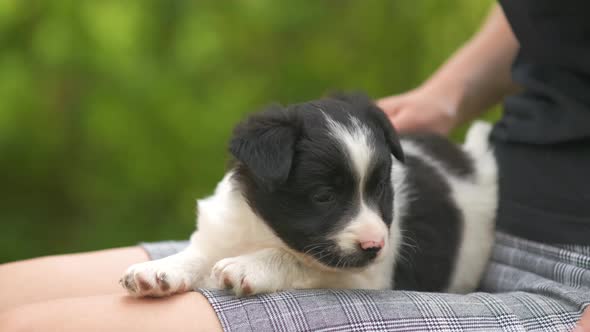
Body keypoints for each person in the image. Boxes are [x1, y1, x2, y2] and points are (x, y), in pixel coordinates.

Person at [1, 2, 589, 331]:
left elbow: (367, 271)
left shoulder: (367, 243)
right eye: (328, 196)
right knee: (11, 298)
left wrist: (276, 263)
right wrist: (451, 92)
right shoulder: (250, 189)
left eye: (377, 193)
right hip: (511, 175)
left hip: (566, 284)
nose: (375, 231)